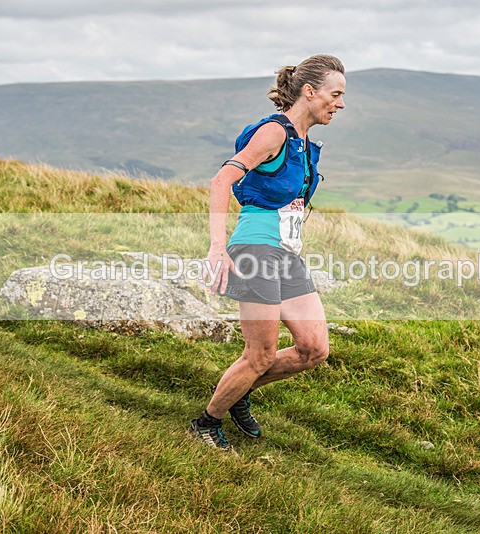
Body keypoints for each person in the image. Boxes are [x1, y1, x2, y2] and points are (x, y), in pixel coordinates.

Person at [189, 54, 346, 451]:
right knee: (260, 355)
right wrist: (216, 247)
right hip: (256, 248)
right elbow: (221, 179)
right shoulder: (274, 133)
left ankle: (235, 391)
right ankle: (207, 423)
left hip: (286, 253)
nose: (340, 104)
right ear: (309, 92)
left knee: (313, 348)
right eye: (335, 94)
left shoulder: (306, 142)